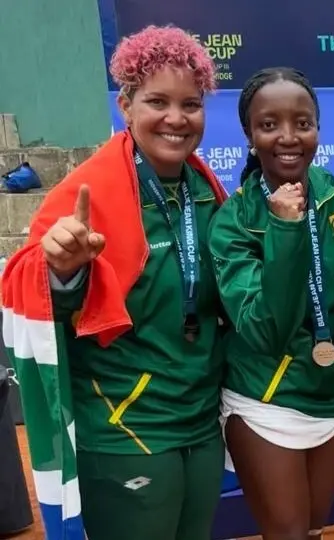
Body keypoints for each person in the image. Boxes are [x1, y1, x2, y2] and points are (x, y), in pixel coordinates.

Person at [1, 25, 228, 540]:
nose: (176, 118)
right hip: (125, 427)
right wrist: (64, 271)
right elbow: (30, 290)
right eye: (157, 102)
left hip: (201, 421)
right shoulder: (86, 193)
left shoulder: (207, 190)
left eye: (190, 104)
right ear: (125, 106)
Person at [208, 67, 334, 539]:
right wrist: (286, 231)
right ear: (250, 135)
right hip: (265, 400)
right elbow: (264, 329)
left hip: (328, 391)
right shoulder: (233, 220)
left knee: (313, 531)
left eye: (302, 123)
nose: (288, 137)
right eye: (269, 125)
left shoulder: (328, 188)